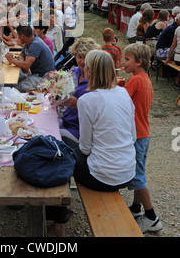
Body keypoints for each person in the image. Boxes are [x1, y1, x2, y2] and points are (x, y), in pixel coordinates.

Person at [47, 50, 136, 237]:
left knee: (58, 150)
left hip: (102, 177)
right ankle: (58, 220)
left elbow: (85, 148)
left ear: (90, 72)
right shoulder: (123, 93)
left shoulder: (88, 99)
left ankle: (58, 223)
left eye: (85, 66)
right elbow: (133, 137)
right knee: (64, 145)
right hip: (127, 173)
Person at [123, 43, 163, 233]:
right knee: (138, 171)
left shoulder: (134, 81)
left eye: (127, 59)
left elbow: (121, 100)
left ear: (138, 62)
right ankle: (136, 208)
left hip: (136, 135)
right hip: (144, 134)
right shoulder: (144, 79)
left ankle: (151, 217)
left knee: (138, 177)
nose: (124, 63)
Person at [52, 37, 101, 144]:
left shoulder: (97, 81)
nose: (82, 61)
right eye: (79, 57)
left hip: (80, 130)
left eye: (86, 57)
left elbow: (97, 113)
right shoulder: (73, 72)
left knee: (50, 136)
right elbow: (62, 94)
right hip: (66, 121)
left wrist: (77, 104)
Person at [6, 25, 55, 92]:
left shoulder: (35, 44)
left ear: (23, 36)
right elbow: (21, 55)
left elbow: (26, 65)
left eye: (18, 36)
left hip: (43, 78)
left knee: (14, 88)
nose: (17, 38)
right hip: (35, 74)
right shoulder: (29, 41)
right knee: (11, 80)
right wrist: (23, 64)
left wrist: (12, 60)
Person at [164, 13, 180, 87]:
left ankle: (177, 80)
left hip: (177, 59)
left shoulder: (177, 29)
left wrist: (168, 57)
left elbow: (173, 45)